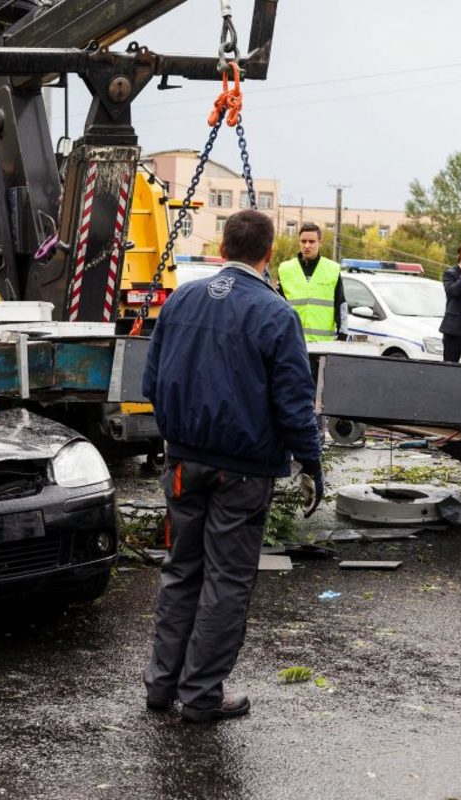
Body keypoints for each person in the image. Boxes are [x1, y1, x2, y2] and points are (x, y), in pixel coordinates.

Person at [142, 209, 324, 724]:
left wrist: (181, 436)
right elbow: (294, 403)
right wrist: (311, 463)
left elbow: (152, 384)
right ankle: (201, 695)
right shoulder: (275, 314)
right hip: (243, 470)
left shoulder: (181, 300)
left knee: (181, 570)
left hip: (184, 462)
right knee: (226, 580)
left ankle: (161, 687)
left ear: (222, 248)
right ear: (269, 255)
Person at [275, 222, 348, 343]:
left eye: (312, 241)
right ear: (299, 242)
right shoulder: (285, 269)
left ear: (320, 242)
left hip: (323, 345)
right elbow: (276, 307)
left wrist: (342, 335)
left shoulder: (332, 269)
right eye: (303, 241)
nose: (307, 246)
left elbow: (341, 305)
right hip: (291, 343)